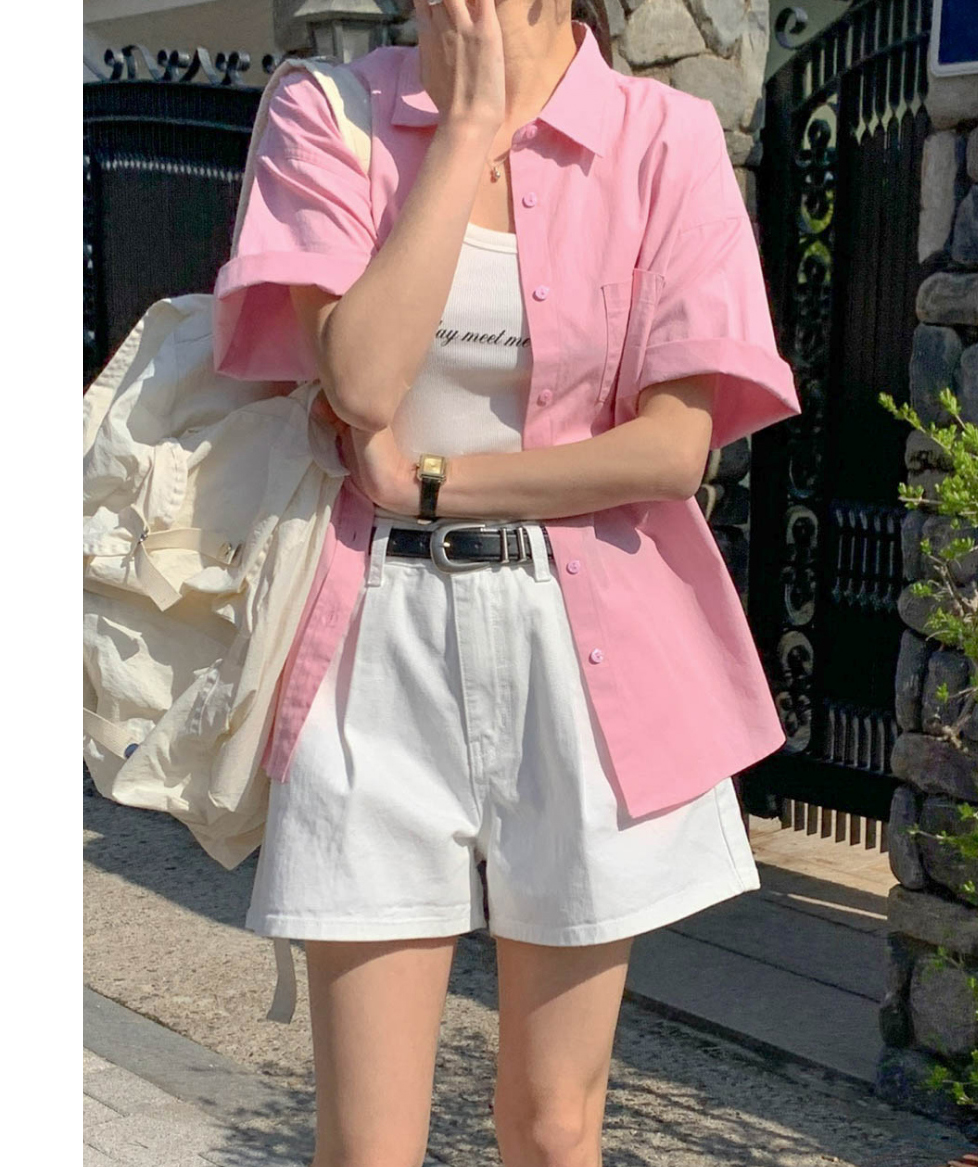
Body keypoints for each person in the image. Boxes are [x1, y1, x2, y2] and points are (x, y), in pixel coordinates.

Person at [212, 0, 800, 1163]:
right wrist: (469, 125)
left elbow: (670, 450)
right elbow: (361, 380)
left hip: (586, 657)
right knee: (365, 1144)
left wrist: (434, 485)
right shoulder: (329, 112)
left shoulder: (659, 136)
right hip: (370, 649)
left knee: (551, 1126)